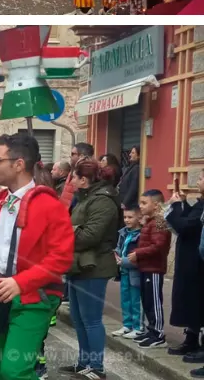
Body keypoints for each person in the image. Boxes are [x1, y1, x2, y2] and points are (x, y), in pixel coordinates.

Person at [0, 132, 74, 380]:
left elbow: (61, 258)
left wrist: (20, 282)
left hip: (34, 297)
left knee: (15, 371)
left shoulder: (50, 205)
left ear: (18, 164)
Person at [64, 159, 121, 378]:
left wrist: (66, 233)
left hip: (95, 266)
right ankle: (83, 362)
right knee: (78, 318)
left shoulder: (102, 201)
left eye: (74, 178)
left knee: (92, 319)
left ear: (84, 180)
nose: (72, 182)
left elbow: (91, 235)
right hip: (78, 264)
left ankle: (97, 367)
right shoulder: (85, 198)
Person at [166, 170, 204, 362]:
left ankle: (198, 344)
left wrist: (175, 207)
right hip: (189, 260)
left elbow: (185, 226)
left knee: (196, 301)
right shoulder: (200, 204)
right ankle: (190, 339)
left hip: (196, 262)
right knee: (189, 300)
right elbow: (189, 218)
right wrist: (181, 204)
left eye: (201, 178)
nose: (198, 182)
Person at [132, 189, 171, 348]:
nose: (140, 206)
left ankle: (159, 334)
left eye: (144, 203)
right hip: (146, 267)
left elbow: (158, 246)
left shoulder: (159, 222)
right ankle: (151, 329)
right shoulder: (150, 221)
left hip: (154, 268)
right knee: (147, 301)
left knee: (154, 301)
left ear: (155, 205)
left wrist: (138, 253)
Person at [113, 208, 144, 340]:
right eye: (125, 217)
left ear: (139, 218)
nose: (126, 220)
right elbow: (120, 247)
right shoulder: (123, 233)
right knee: (125, 300)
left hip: (134, 272)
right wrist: (116, 253)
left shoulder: (141, 235)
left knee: (135, 300)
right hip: (124, 271)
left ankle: (138, 327)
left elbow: (138, 256)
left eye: (130, 217)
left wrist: (124, 261)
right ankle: (127, 324)